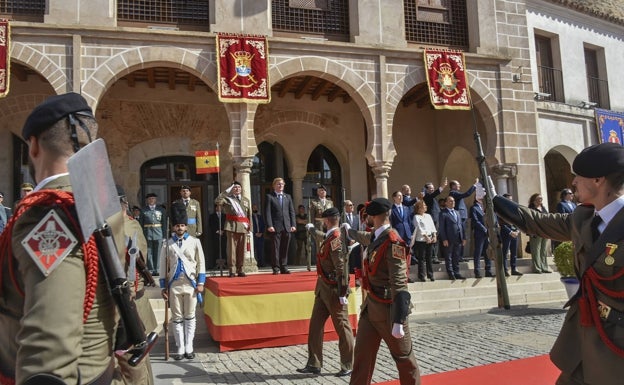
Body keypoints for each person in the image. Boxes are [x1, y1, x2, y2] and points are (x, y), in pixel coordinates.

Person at [0, 92, 123, 384]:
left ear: (32, 146)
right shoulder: (104, 205)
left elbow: (49, 343)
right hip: (99, 366)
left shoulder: (50, 212)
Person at [493, 142, 624, 385]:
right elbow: (537, 222)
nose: (573, 182)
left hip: (615, 346)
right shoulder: (583, 217)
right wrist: (493, 200)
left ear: (598, 180)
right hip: (584, 338)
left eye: (578, 176)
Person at [345, 198, 421, 385]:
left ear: (374, 216)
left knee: (404, 360)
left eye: (367, 215)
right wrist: (349, 231)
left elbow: (399, 282)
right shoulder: (378, 236)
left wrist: (398, 320)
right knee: (362, 358)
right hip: (371, 308)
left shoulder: (393, 242)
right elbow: (365, 237)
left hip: (389, 310)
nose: (365, 219)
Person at [296, 207, 354, 377]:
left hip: (334, 289)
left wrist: (342, 292)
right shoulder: (330, 236)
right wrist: (313, 230)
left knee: (342, 328)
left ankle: (348, 364)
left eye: (323, 221)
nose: (322, 224)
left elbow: (341, 267)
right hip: (322, 289)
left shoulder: (336, 239)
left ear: (328, 221)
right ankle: (314, 363)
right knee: (315, 326)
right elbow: (322, 238)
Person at [111, 186, 157, 385]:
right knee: (138, 359)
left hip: (128, 302)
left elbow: (132, 269)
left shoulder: (125, 227)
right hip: (132, 299)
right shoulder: (130, 224)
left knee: (131, 361)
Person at [159, 201, 206, 361]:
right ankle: (179, 347)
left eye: (182, 225)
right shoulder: (167, 243)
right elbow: (162, 266)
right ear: (173, 227)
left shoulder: (195, 242)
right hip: (174, 285)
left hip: (191, 284)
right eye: (177, 225)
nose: (180, 228)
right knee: (177, 317)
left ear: (186, 227)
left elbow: (201, 263)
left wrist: (201, 283)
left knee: (190, 316)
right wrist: (163, 287)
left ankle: (189, 346)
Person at [215, 181, 252, 277]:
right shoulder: (227, 199)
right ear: (232, 189)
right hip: (231, 226)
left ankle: (241, 269)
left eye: (238, 187)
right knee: (231, 250)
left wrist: (250, 227)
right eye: (235, 187)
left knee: (241, 250)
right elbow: (217, 201)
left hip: (243, 227)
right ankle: (232, 270)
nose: (237, 189)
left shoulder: (246, 200)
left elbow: (249, 215)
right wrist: (225, 192)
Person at [264, 177, 296, 274]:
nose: (280, 185)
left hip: (287, 226)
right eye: (278, 184)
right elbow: (267, 212)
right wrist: (269, 225)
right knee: (275, 248)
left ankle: (284, 266)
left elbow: (292, 212)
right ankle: (276, 267)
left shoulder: (288, 197)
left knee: (285, 248)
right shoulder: (270, 197)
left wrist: (293, 224)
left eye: (282, 184)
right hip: (275, 226)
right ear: (274, 186)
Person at [439, 196, 466, 280]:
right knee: (449, 257)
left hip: (458, 238)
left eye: (453, 201)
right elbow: (442, 228)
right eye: (450, 201)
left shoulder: (457, 212)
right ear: (446, 203)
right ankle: (450, 273)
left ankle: (456, 272)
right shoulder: (443, 213)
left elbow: (461, 225)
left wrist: (463, 237)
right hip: (449, 238)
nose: (452, 202)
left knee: (456, 256)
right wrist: (444, 239)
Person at [139, 192, 167, 276]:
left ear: (156, 200)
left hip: (159, 232)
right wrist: (141, 235)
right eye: (150, 199)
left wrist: (164, 236)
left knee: (158, 252)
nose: (151, 200)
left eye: (153, 198)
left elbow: (164, 223)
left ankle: (157, 269)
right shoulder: (143, 210)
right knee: (149, 251)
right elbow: (140, 224)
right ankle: (151, 269)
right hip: (147, 233)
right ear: (147, 200)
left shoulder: (161, 210)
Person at [409, 200, 437, 282]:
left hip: (430, 239)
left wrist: (434, 235)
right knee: (422, 258)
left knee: (429, 258)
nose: (425, 207)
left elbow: (432, 226)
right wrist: (426, 237)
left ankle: (430, 275)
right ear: (419, 208)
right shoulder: (416, 217)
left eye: (425, 205)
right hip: (421, 240)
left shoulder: (428, 216)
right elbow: (419, 228)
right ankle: (422, 275)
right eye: (423, 206)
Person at [423, 178, 448, 263]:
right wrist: (442, 187)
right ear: (426, 189)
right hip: (431, 220)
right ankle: (432, 257)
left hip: (437, 220)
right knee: (432, 238)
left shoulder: (434, 198)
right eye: (430, 188)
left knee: (436, 238)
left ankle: (435, 256)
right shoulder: (427, 196)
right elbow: (433, 194)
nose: (432, 189)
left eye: (433, 188)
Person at [499, 193, 522, 276]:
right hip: (506, 233)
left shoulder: (514, 209)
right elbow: (501, 224)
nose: (510, 201)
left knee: (514, 252)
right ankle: (505, 269)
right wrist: (510, 232)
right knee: (505, 253)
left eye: (511, 199)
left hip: (515, 233)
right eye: (508, 199)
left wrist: (518, 231)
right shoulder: (500, 210)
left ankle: (514, 268)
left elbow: (519, 222)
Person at [470, 196, 494, 278]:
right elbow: (475, 221)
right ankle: (477, 271)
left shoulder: (486, 207)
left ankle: (488, 270)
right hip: (480, 233)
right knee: (478, 252)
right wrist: (484, 229)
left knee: (488, 252)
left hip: (488, 233)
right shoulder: (474, 208)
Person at [528, 193, 552, 273]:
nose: (541, 200)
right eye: (539, 198)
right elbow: (530, 221)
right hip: (536, 232)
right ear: (534, 200)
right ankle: (537, 268)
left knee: (543, 250)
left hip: (544, 231)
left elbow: (547, 217)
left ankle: (544, 267)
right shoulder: (531, 209)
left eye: (541, 198)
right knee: (536, 250)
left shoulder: (543, 208)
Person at [208, 204, 227, 270]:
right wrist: (217, 231)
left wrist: (223, 231)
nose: (220, 208)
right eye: (218, 206)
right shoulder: (212, 216)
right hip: (215, 235)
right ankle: (216, 264)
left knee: (223, 249)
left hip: (223, 235)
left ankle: (224, 264)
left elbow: (226, 224)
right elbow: (211, 225)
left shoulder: (225, 216)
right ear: (216, 207)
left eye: (221, 207)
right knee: (216, 249)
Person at [295, 204, 310, 268]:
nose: (302, 210)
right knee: (299, 248)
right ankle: (297, 263)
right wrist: (304, 221)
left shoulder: (307, 216)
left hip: (306, 233)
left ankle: (308, 262)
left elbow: (308, 221)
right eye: (301, 209)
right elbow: (298, 221)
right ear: (299, 210)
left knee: (308, 249)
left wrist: (302, 221)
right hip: (299, 234)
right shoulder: (297, 216)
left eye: (303, 209)